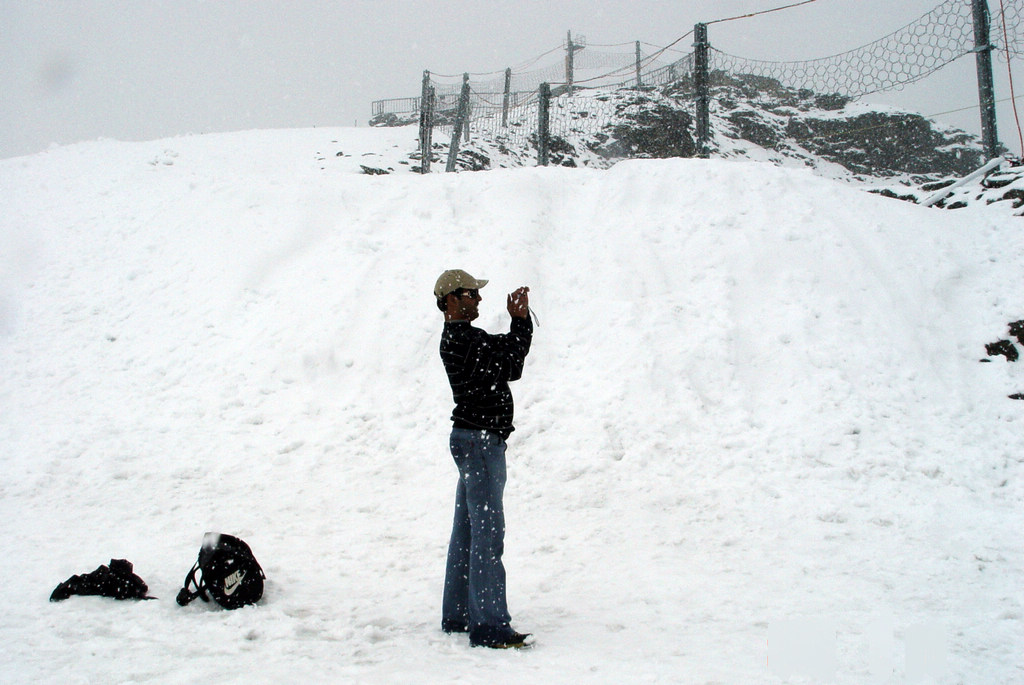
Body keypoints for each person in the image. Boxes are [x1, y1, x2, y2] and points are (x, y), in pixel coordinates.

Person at [434, 269, 534, 649]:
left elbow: (508, 360)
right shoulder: (467, 340)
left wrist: (518, 325)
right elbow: (512, 364)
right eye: (471, 294)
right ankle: (490, 625)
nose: (477, 300)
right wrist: (521, 322)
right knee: (487, 533)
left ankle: (458, 613)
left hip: (471, 441)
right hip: (480, 444)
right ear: (451, 301)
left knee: (468, 531)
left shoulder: (461, 339)